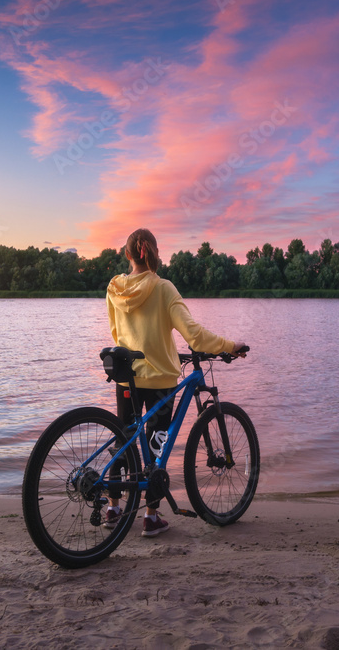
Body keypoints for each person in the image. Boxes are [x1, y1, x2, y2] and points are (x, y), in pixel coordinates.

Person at [104, 228, 245, 537]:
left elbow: (117, 334)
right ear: (155, 253)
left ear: (128, 255)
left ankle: (113, 507)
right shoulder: (164, 288)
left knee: (123, 439)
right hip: (159, 380)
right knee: (156, 446)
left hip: (127, 376)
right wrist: (229, 345)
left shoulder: (114, 288)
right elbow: (194, 335)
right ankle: (150, 518)